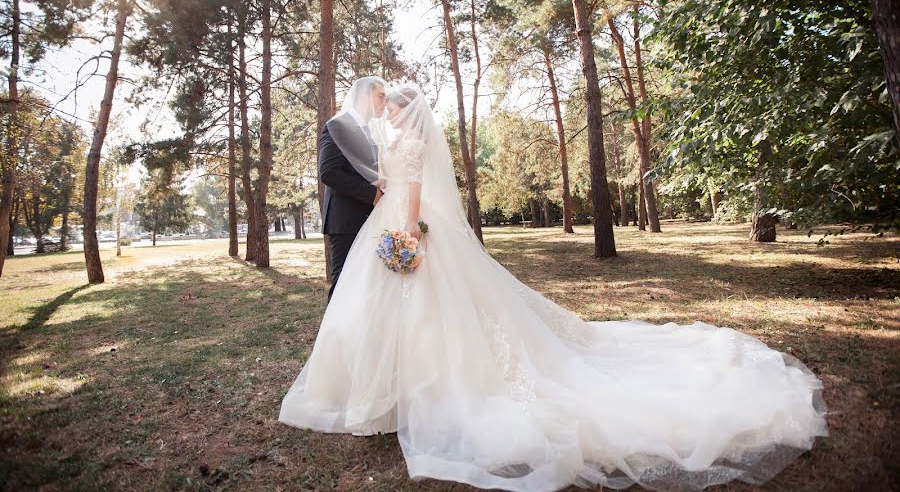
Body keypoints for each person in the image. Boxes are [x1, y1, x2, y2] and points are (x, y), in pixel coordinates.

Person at [280, 85, 827, 492]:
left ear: (406, 109)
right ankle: (381, 391)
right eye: (387, 107)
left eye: (393, 107)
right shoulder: (386, 140)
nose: (388, 113)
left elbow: (415, 192)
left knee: (431, 311)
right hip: (386, 222)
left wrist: (409, 230)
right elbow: (381, 180)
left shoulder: (413, 141)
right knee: (382, 310)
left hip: (406, 225)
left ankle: (421, 389)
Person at [318, 76, 386, 304]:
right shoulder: (338, 125)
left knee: (363, 287)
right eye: (380, 96)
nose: (384, 102)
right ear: (365, 96)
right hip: (345, 220)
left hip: (368, 219)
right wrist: (372, 194)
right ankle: (333, 339)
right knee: (343, 286)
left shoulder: (370, 132)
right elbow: (328, 172)